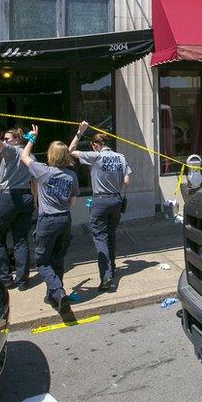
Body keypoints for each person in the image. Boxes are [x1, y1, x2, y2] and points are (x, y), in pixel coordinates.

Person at [19, 125, 79, 314]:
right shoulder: (71, 175)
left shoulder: (43, 171)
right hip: (65, 220)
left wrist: (32, 138)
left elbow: (24, 157)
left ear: (51, 155)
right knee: (58, 259)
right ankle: (53, 296)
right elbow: (71, 202)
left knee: (42, 262)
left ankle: (58, 292)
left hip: (48, 220)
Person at [69, 121, 131, 292]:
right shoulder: (121, 157)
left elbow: (70, 151)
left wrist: (79, 132)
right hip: (116, 201)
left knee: (100, 238)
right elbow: (127, 181)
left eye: (92, 145)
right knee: (111, 235)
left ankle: (106, 277)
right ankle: (111, 269)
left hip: (100, 200)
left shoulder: (95, 156)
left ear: (97, 145)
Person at [0, 108, 35, 290]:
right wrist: (34, 200)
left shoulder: (12, 152)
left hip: (8, 197)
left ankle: (5, 278)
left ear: (17, 140)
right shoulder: (30, 156)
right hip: (25, 197)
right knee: (21, 239)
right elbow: (33, 181)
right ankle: (22, 280)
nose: (4, 141)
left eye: (7, 139)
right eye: (5, 139)